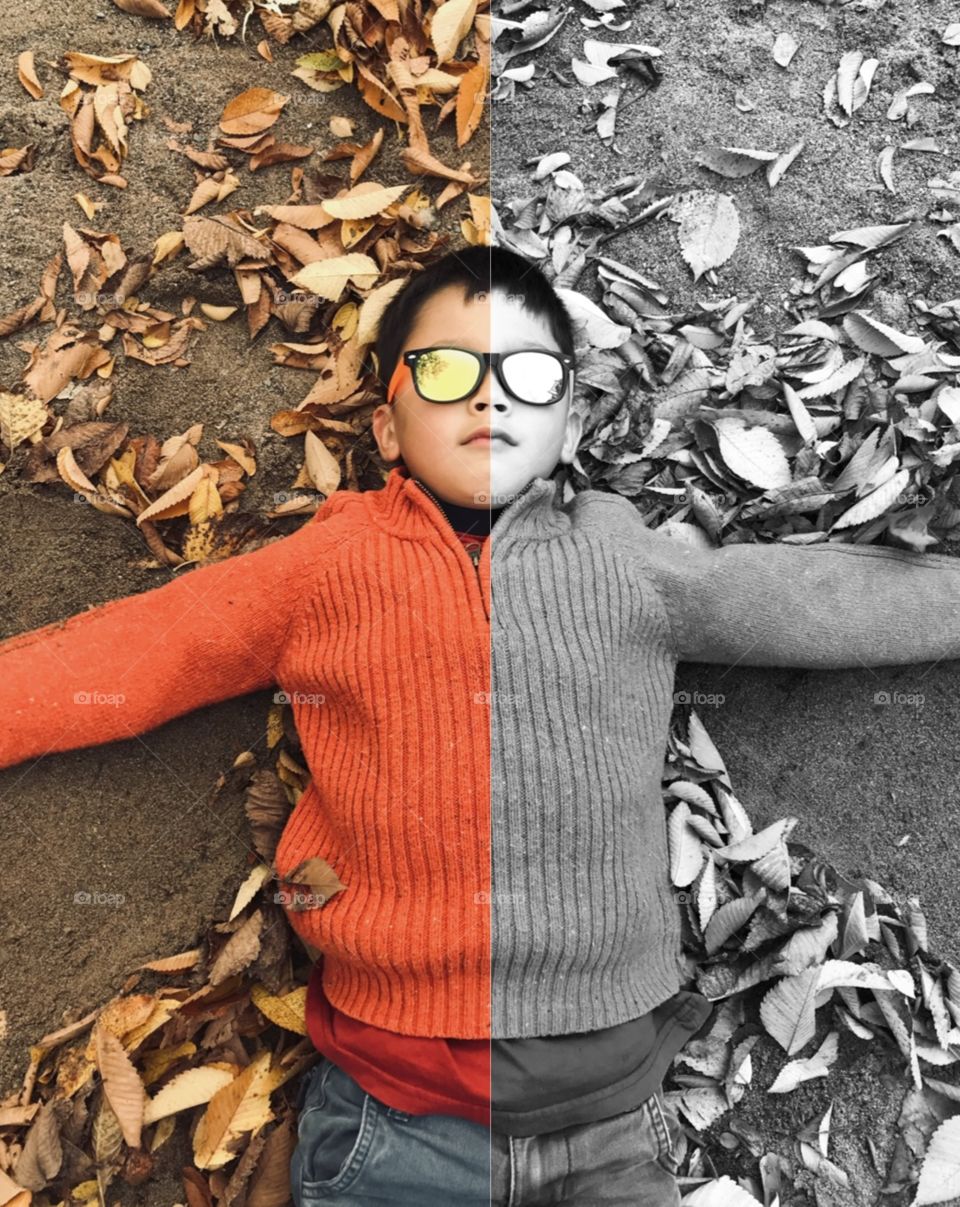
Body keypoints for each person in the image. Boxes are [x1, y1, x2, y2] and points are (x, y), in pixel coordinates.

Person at [3, 245, 960, 1206]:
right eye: (448, 369)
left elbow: (808, 599)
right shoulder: (323, 568)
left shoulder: (625, 557)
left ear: (570, 419)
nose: (488, 399)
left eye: (528, 376)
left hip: (615, 1129)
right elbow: (141, 654)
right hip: (393, 1117)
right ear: (385, 422)